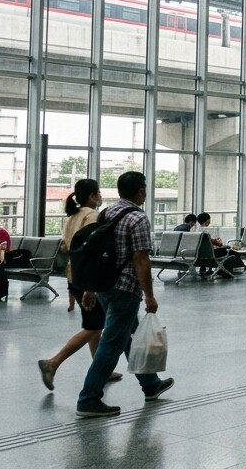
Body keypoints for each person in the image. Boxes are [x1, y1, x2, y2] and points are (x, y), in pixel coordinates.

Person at [75, 171, 173, 418]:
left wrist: (90, 287)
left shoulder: (106, 213)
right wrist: (149, 296)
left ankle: (150, 385)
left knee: (129, 336)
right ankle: (88, 398)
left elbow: (96, 254)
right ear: (141, 191)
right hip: (125, 290)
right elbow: (141, 259)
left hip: (105, 286)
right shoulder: (138, 218)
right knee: (111, 344)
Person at [39, 180, 122, 391]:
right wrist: (91, 287)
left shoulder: (71, 217)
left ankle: (101, 368)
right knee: (93, 327)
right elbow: (94, 252)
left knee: (95, 324)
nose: (101, 196)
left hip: (73, 275)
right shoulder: (92, 217)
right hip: (89, 279)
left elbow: (66, 246)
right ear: (93, 196)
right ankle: (53, 362)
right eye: (99, 193)